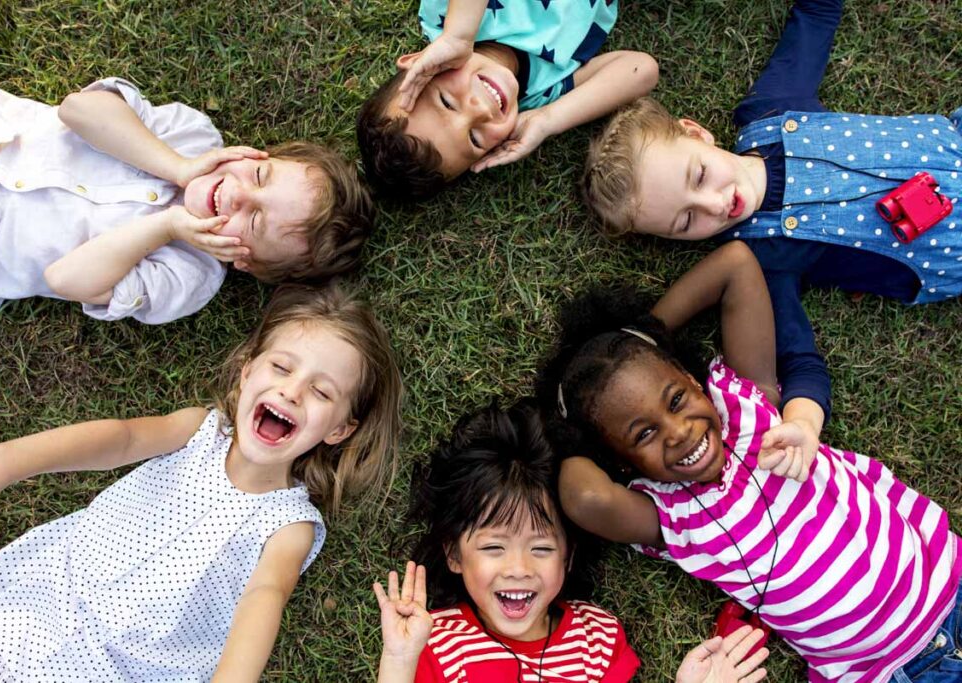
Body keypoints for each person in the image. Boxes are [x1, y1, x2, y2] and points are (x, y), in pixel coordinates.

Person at [536, 241, 962, 682]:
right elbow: (583, 495)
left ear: (690, 379)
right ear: (622, 464)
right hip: (891, 671)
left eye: (677, 399)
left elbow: (736, 264)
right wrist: (566, 428)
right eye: (644, 434)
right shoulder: (671, 518)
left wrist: (643, 339)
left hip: (951, 577)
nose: (678, 431)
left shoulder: (748, 406)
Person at [0, 283, 402, 681]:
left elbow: (266, 596)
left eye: (322, 392)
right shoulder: (198, 431)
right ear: (246, 372)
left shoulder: (289, 524)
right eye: (281, 367)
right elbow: (120, 439)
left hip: (127, 667)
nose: (292, 390)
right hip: (48, 599)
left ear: (340, 429)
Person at [582, 0, 962, 457]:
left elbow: (814, 22)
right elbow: (800, 359)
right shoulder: (762, 261)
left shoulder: (770, 110)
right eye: (686, 221)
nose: (716, 205)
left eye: (699, 175)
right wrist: (802, 422)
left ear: (697, 133)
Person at [373, 400, 769, 682]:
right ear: (454, 555)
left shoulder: (596, 637)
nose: (518, 569)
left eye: (541, 548)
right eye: (494, 547)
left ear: (568, 554)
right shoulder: (435, 640)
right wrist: (398, 659)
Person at [0, 78, 374, 324]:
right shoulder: (191, 136)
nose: (239, 192)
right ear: (256, 153)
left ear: (246, 261)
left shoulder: (189, 277)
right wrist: (176, 168)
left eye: (255, 221)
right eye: (260, 175)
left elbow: (65, 279)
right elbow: (77, 110)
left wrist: (165, 227)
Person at [356, 0, 658, 201]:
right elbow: (641, 70)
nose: (480, 110)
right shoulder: (543, 94)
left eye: (447, 102)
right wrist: (548, 119)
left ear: (420, 63)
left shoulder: (447, 18)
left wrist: (459, 36)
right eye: (474, 138)